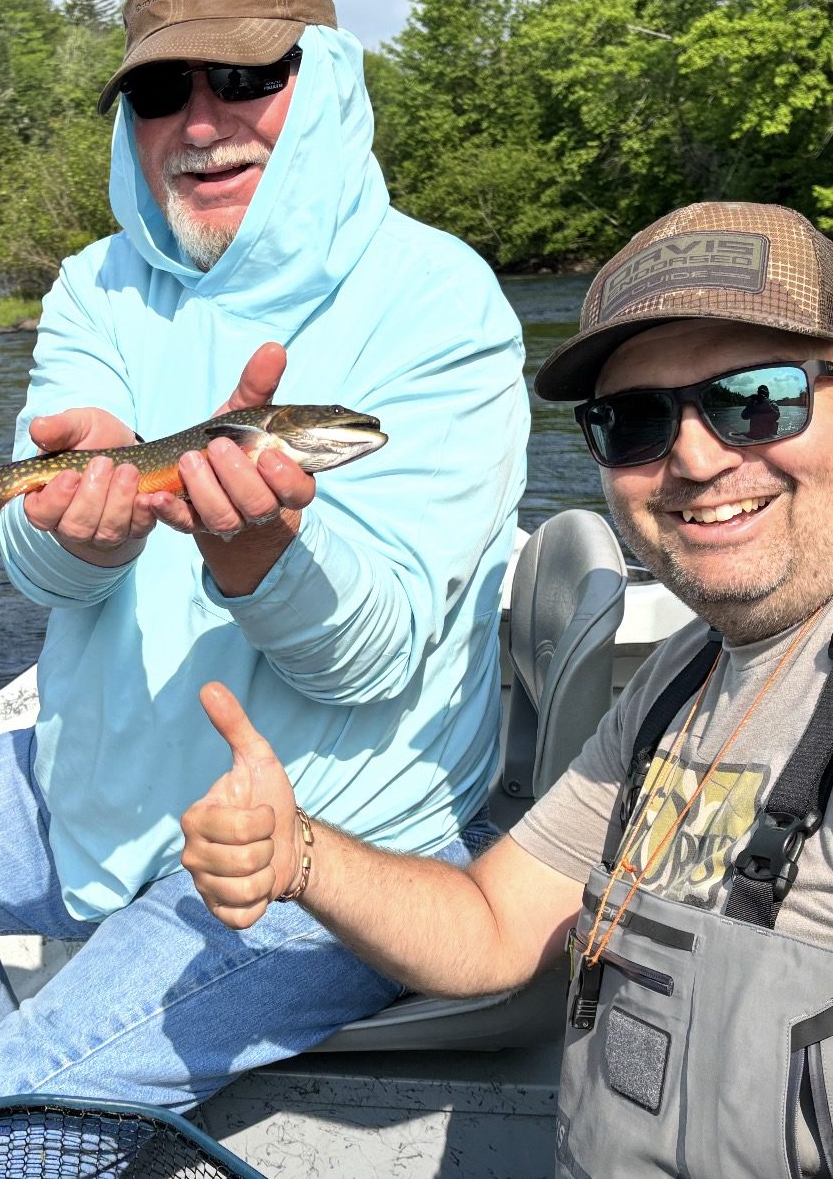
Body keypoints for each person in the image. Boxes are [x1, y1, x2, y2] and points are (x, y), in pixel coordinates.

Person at [0, 0, 528, 1116]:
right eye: (157, 89)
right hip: (114, 773)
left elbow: (370, 668)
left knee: (11, 1115)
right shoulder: (93, 288)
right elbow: (41, 574)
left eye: (243, 78)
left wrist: (260, 557)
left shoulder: (443, 305)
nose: (199, 120)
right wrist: (79, 542)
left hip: (333, 829)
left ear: (324, 83)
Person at [182, 200, 833, 1178]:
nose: (696, 460)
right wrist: (300, 851)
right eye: (637, 421)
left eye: (759, 397)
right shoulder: (679, 678)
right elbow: (492, 930)